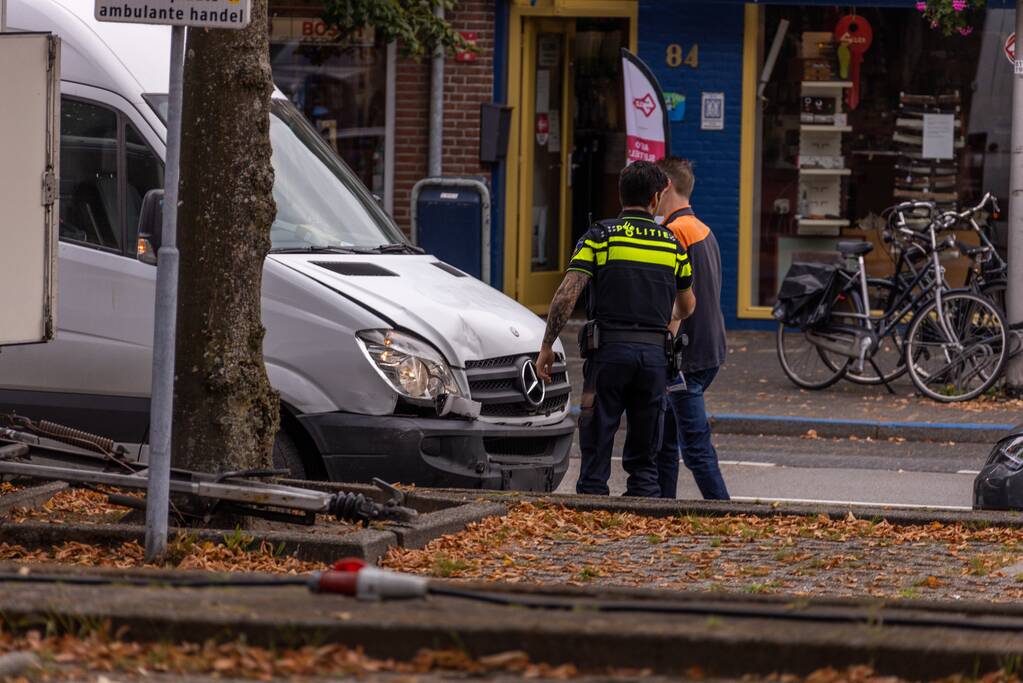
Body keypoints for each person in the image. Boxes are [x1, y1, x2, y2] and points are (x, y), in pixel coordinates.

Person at [536, 161, 696, 497]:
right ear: (656, 199)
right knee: (646, 456)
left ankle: (593, 519)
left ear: (620, 194)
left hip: (607, 355)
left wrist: (547, 345)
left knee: (596, 444)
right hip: (654, 357)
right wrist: (663, 317)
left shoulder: (600, 236)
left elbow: (567, 295)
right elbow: (687, 305)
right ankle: (642, 518)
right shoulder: (671, 244)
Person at [655, 157, 729, 500]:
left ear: (665, 186)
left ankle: (723, 510)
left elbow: (674, 299)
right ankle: (663, 506)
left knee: (693, 445)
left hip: (685, 355)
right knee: (665, 438)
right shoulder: (703, 229)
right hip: (710, 348)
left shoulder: (673, 234)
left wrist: (664, 346)